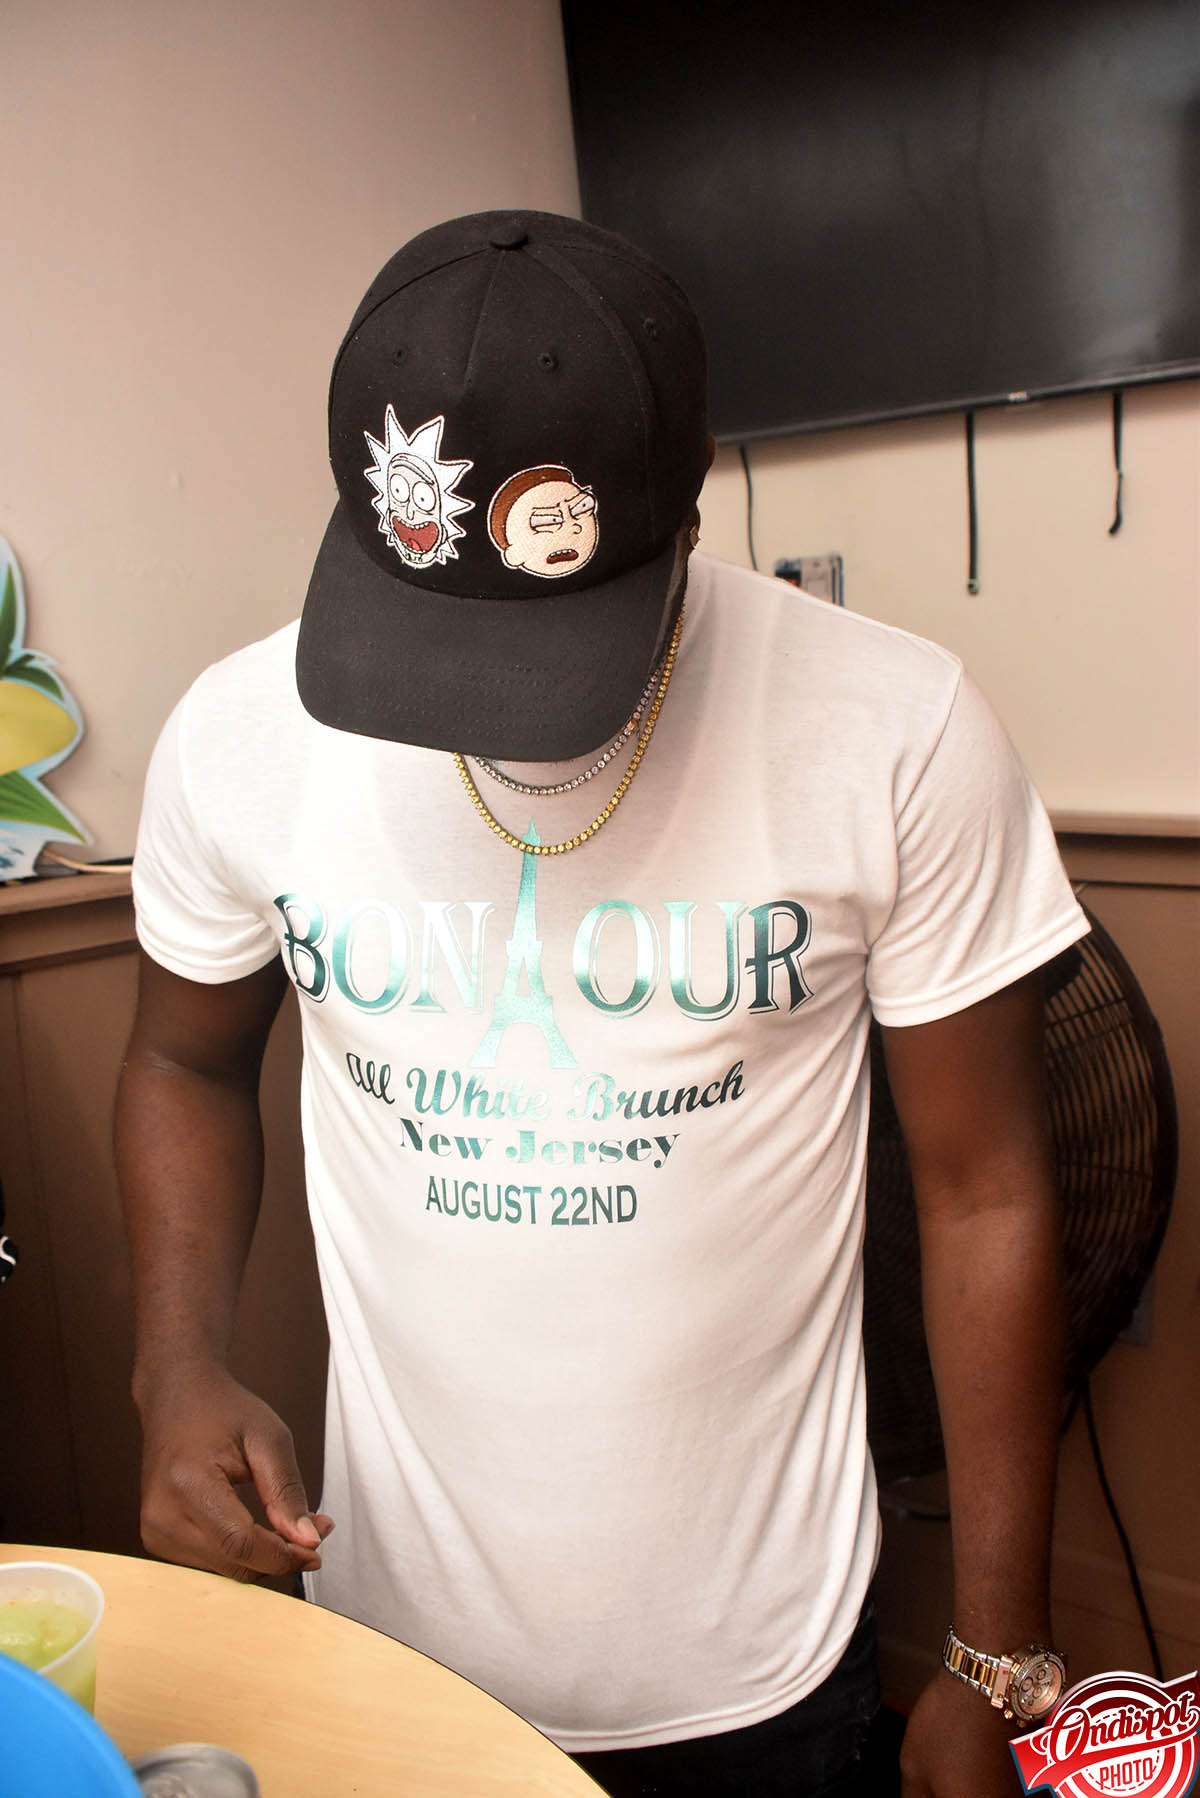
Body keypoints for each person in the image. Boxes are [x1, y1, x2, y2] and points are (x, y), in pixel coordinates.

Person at [116, 209, 1088, 1798]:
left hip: (767, 1670)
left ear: (688, 504)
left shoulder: (897, 729)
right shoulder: (237, 736)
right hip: (389, 1655)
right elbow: (181, 1059)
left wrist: (999, 1654)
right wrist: (174, 1360)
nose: (480, 705)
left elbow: (988, 1190)